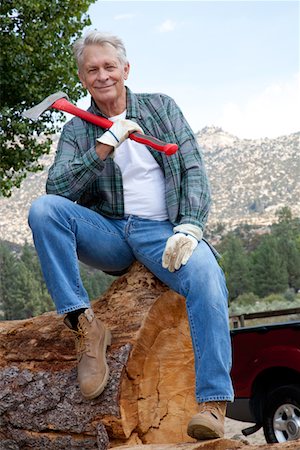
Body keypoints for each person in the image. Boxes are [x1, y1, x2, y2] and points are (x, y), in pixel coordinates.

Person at [28, 30, 234, 440]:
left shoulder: (161, 108)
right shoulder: (77, 131)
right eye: (92, 70)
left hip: (162, 231)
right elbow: (59, 190)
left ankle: (212, 404)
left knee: (208, 279)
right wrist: (103, 145)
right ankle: (85, 326)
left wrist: (190, 226)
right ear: (82, 78)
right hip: (111, 232)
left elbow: (193, 167)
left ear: (125, 69)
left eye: (109, 66)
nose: (102, 76)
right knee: (42, 210)